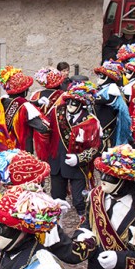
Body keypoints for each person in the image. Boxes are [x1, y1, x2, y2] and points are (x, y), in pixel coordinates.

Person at [47, 81, 102, 218]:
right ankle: (57, 225)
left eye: (74, 103)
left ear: (82, 105)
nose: (70, 106)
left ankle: (84, 222)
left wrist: (79, 158)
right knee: (56, 198)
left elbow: (95, 148)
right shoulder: (56, 112)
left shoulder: (91, 121)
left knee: (79, 200)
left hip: (78, 167)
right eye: (68, 102)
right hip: (57, 163)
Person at [0, 66, 49, 155]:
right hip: (21, 154)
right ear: (24, 90)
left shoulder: (0, 102)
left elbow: (18, 103)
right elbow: (43, 128)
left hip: (4, 152)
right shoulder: (25, 107)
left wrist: (36, 102)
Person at [93, 60, 131, 151]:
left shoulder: (112, 88)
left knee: (106, 144)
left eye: (102, 75)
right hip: (101, 119)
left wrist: (90, 98)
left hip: (108, 121)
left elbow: (106, 100)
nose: (99, 77)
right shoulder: (103, 88)